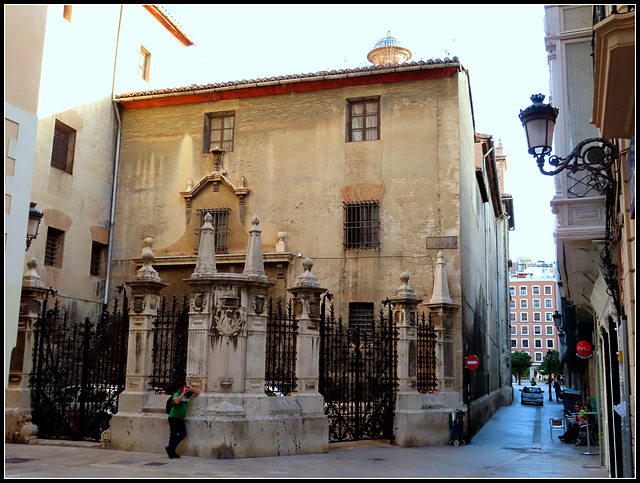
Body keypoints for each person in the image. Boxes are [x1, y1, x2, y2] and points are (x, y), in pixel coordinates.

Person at [166, 380, 200, 459]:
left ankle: (170, 447)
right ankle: (172, 452)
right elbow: (176, 401)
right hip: (173, 417)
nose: (185, 388)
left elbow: (197, 393)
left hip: (180, 418)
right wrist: (183, 393)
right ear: (180, 388)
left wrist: (191, 388)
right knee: (173, 434)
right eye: (184, 386)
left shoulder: (188, 394)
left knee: (183, 433)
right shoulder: (177, 394)